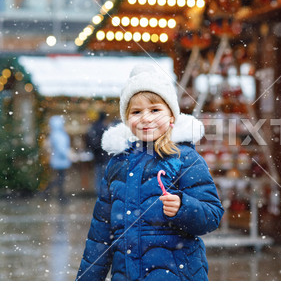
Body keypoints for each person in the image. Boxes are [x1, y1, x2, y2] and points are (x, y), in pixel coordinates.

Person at [76, 64, 224, 281]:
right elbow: (100, 237)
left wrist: (183, 207)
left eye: (155, 110)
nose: (145, 118)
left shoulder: (185, 159)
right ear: (127, 120)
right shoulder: (117, 165)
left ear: (171, 116)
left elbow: (212, 215)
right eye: (136, 112)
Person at [42, 115, 72, 202]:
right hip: (60, 160)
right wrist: (67, 155)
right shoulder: (59, 134)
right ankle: (58, 195)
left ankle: (58, 195)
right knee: (60, 179)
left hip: (58, 160)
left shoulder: (55, 134)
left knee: (59, 179)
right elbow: (61, 148)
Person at [86, 111, 109, 193]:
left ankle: (99, 195)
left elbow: (89, 143)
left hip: (97, 157)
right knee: (105, 178)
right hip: (104, 157)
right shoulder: (104, 128)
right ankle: (104, 195)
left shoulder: (93, 127)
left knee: (98, 177)